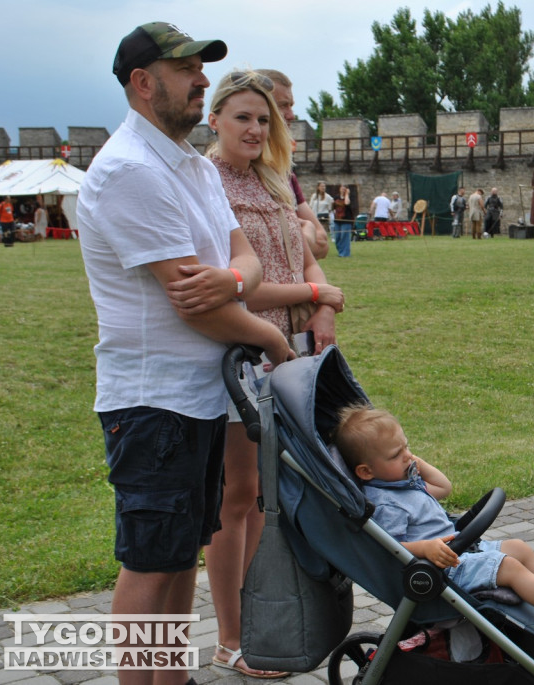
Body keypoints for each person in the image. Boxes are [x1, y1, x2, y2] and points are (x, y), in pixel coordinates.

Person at [77, 23, 292, 685]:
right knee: (151, 562)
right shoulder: (128, 171)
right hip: (152, 397)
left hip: (197, 394)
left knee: (179, 556)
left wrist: (232, 278)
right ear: (142, 83)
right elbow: (192, 303)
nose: (200, 79)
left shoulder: (194, 167)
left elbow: (244, 263)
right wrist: (270, 335)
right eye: (184, 69)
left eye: (202, 68)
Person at [204, 68, 345, 678]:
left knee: (272, 497)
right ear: (215, 119)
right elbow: (231, 292)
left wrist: (322, 306)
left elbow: (310, 255)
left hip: (295, 351)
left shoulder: (273, 179)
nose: (258, 128)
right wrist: (319, 292)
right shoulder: (207, 181)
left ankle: (267, 622)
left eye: (267, 118)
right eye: (245, 117)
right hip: (244, 353)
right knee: (238, 498)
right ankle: (230, 638)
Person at [334, 405, 534, 632]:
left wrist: (413, 462)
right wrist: (425, 549)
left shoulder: (403, 482)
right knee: (508, 566)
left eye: (408, 447)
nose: (408, 456)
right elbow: (388, 547)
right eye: (397, 454)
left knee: (517, 546)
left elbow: (444, 488)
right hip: (440, 570)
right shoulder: (386, 502)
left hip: (462, 553)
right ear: (366, 472)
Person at [255, 69, 328, 260]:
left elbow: (322, 244)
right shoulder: (229, 175)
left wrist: (296, 239)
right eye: (283, 106)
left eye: (291, 106)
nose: (291, 115)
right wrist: (304, 233)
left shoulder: (285, 175)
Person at [332, 184, 354, 256]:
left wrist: (347, 194)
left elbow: (347, 203)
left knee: (344, 237)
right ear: (340, 189)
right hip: (337, 220)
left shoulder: (349, 197)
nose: (343, 189)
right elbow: (332, 207)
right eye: (342, 188)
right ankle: (340, 251)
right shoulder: (336, 197)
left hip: (346, 220)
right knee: (337, 237)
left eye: (345, 189)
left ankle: (345, 253)